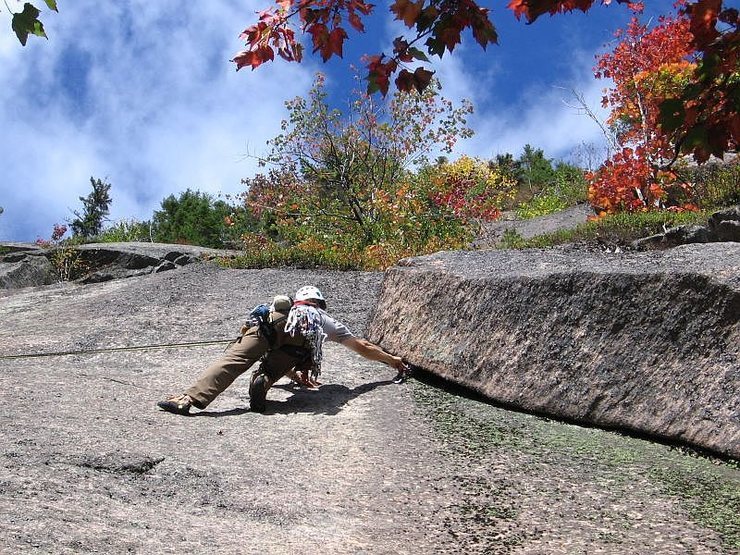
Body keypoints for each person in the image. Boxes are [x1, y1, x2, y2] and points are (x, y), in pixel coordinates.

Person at [157, 285, 408, 415]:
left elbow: (271, 335)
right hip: (296, 344)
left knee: (233, 360)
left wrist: (294, 379)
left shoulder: (276, 310)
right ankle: (264, 381)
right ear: (318, 302)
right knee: (295, 353)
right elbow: (362, 347)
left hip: (267, 326)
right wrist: (392, 360)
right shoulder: (319, 317)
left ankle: (187, 399)